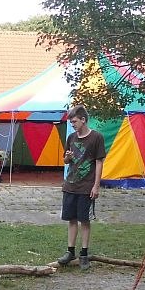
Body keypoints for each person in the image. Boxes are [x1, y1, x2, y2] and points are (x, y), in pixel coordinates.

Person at [57, 105, 105, 271]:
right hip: (70, 185)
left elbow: (99, 163)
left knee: (84, 220)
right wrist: (68, 158)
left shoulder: (96, 138)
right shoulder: (71, 138)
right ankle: (70, 251)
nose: (73, 125)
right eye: (71, 122)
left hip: (86, 187)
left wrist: (96, 186)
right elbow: (65, 161)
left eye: (75, 121)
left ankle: (84, 253)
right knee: (71, 219)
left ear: (83, 120)